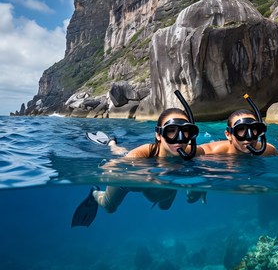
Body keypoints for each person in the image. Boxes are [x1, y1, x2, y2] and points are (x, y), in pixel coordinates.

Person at [72, 92, 204, 227]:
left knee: (165, 206)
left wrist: (200, 185)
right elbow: (110, 168)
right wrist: (147, 176)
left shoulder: (191, 152)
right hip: (132, 180)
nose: (179, 138)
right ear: (159, 135)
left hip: (159, 185)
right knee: (109, 207)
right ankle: (96, 188)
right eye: (171, 130)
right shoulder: (145, 151)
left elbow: (218, 148)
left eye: (186, 130)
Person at [200, 108, 278, 156]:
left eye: (254, 128)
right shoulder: (212, 152)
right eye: (240, 129)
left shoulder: (268, 150)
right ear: (228, 135)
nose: (249, 137)